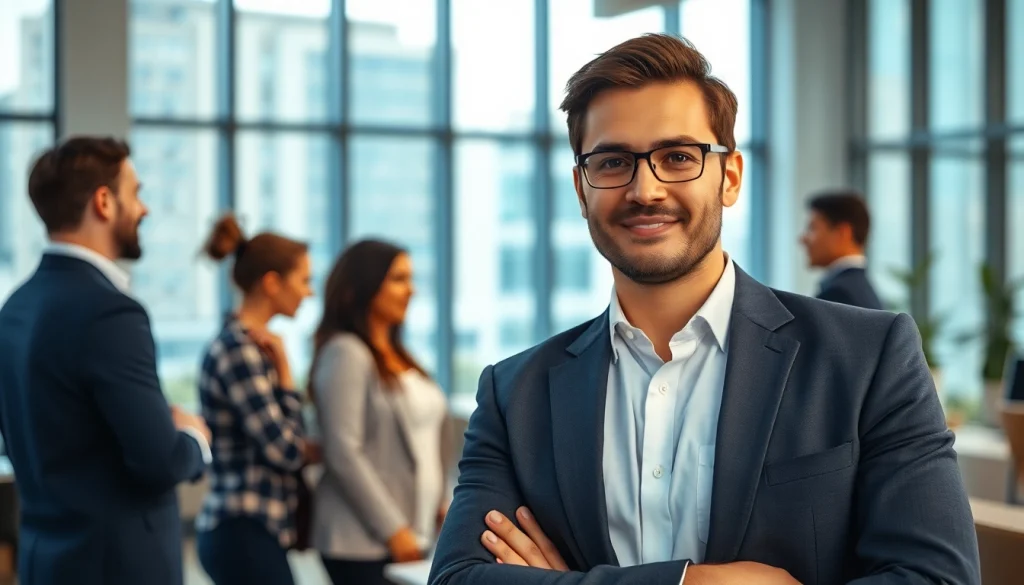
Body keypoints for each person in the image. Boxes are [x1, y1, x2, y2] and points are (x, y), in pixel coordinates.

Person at [428, 34, 979, 585]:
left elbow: (939, 578)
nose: (645, 189)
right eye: (614, 161)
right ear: (581, 188)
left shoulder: (867, 357)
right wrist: (693, 583)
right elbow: (455, 579)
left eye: (677, 158)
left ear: (730, 176)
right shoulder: (514, 394)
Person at [0, 136, 211, 585]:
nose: (145, 209)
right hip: (117, 567)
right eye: (135, 193)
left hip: (45, 563)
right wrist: (194, 439)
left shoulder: (15, 308)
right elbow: (159, 462)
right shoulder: (109, 312)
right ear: (104, 202)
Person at [310, 240, 454, 585]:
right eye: (398, 279)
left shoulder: (403, 356)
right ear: (364, 287)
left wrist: (442, 502)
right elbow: (343, 452)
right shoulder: (346, 353)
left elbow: (426, 443)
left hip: (415, 530)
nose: (411, 290)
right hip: (363, 541)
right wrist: (393, 530)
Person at [194, 214, 319, 585]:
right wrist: (285, 378)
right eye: (304, 280)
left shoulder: (257, 347)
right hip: (240, 527)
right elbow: (287, 451)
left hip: (255, 529)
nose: (308, 292)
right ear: (271, 283)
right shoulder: (240, 351)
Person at [799, 190, 883, 309]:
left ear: (843, 233)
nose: (803, 239)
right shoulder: (857, 288)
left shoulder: (840, 294)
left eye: (812, 228)